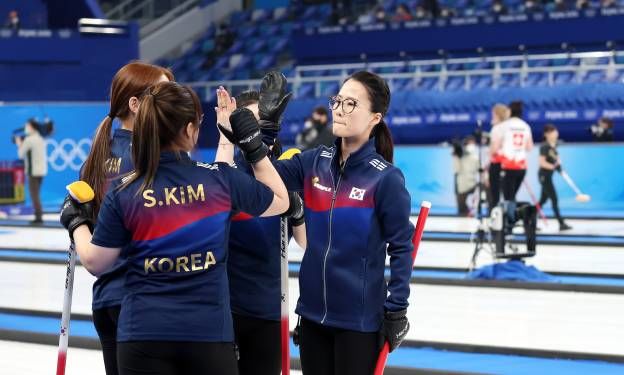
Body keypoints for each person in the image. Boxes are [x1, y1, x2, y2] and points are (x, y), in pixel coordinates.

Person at [60, 81, 289, 374]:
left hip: (143, 334)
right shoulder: (219, 180)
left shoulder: (123, 191)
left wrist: (76, 221)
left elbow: (95, 262)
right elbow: (280, 200)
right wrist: (252, 147)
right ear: (191, 130)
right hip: (208, 336)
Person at [272, 71, 414, 375]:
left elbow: (402, 247)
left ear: (375, 118)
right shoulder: (314, 162)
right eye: (338, 100)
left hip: (358, 324)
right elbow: (264, 176)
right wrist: (265, 133)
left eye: (351, 104)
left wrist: (397, 307)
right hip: (311, 317)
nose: (338, 108)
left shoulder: (385, 179)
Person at [78, 61, 174, 375]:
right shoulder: (153, 158)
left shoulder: (96, 155)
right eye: (162, 94)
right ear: (135, 105)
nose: (170, 103)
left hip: (107, 300)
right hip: (146, 302)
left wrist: (75, 224)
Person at [220, 88, 306, 375]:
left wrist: (298, 212)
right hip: (226, 309)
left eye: (265, 121)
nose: (258, 130)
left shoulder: (286, 174)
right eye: (252, 122)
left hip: (269, 310)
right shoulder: (229, 174)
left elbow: (307, 242)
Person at [496, 100, 533, 207]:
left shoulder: (504, 126)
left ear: (510, 111)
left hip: (508, 166)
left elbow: (496, 146)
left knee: (508, 197)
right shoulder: (525, 126)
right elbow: (529, 147)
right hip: (521, 166)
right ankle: (514, 218)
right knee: (512, 196)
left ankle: (510, 221)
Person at [15, 118, 50, 224]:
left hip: (33, 172)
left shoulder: (29, 140)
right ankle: (38, 215)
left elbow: (20, 154)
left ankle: (38, 217)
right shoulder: (40, 138)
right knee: (36, 194)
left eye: (27, 126)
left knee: (34, 195)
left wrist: (19, 143)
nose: (25, 128)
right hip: (41, 171)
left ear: (31, 127)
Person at [539, 124, 572, 231]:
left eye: (555, 131)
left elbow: (557, 161)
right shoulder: (544, 146)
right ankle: (561, 223)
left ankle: (529, 220)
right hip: (544, 176)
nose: (555, 133)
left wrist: (560, 170)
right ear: (547, 134)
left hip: (549, 175)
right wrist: (554, 167)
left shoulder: (554, 146)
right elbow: (542, 163)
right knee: (554, 198)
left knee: (542, 201)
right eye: (552, 132)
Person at [487, 104, 510, 210]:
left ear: (496, 114)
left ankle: (495, 218)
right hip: (509, 163)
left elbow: (494, 149)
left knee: (494, 193)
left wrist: (489, 153)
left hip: (497, 163)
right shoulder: (510, 127)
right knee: (508, 193)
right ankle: (508, 218)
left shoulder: (496, 128)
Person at [452, 136, 480, 216]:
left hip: (473, 185)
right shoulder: (459, 155)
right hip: (461, 186)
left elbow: (479, 169)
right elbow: (456, 169)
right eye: (469, 143)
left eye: (473, 143)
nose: (471, 146)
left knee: (473, 205)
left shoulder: (475, 157)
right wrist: (456, 156)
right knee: (461, 209)